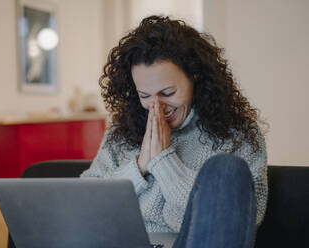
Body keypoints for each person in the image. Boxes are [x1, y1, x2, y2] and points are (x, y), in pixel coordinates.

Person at [81, 15, 268, 248]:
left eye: (168, 93)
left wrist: (163, 160)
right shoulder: (120, 134)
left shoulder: (238, 136)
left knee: (227, 168)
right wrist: (139, 165)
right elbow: (85, 207)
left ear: (196, 79)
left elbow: (234, 225)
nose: (156, 107)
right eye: (145, 96)